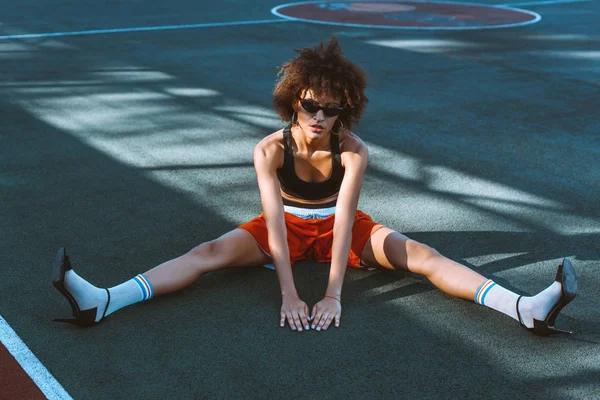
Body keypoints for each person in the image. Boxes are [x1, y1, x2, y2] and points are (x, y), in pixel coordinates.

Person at [52, 37, 577, 336]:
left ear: (344, 108)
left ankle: (523, 308)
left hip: (338, 231)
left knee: (422, 253)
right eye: (310, 105)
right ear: (292, 100)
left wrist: (330, 296)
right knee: (207, 251)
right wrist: (289, 292)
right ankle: (103, 300)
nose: (320, 117)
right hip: (286, 227)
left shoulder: (353, 150)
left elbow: (347, 220)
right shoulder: (269, 149)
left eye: (332, 109)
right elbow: (274, 224)